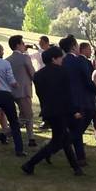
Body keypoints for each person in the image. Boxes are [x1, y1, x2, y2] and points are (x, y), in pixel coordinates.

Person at [21, 46, 83, 176]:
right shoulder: (63, 72)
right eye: (60, 57)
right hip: (62, 111)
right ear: (54, 58)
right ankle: (30, 164)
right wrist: (75, 110)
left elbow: (41, 96)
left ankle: (76, 168)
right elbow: (68, 94)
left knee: (64, 138)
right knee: (57, 141)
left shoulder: (38, 75)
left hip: (49, 110)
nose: (62, 60)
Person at [61, 36, 96, 167]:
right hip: (81, 100)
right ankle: (55, 147)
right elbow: (88, 81)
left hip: (66, 100)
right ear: (73, 47)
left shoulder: (62, 61)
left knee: (76, 128)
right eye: (77, 45)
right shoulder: (79, 61)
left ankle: (81, 157)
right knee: (77, 129)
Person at [7, 35, 37, 148]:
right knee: (28, 115)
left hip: (12, 91)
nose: (25, 45)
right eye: (23, 43)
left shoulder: (8, 60)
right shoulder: (25, 58)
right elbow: (32, 73)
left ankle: (31, 138)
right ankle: (6, 134)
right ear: (18, 45)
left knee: (24, 114)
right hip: (24, 90)